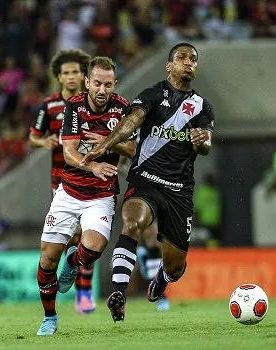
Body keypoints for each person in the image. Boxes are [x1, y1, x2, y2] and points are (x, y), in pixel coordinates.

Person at [81, 43, 215, 322]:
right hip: (146, 179)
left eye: (193, 59)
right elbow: (131, 123)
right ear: (169, 65)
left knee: (176, 266)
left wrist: (202, 142)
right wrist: (106, 144)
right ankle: (118, 293)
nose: (188, 62)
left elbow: (205, 147)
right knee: (133, 223)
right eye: (182, 58)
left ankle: (163, 279)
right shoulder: (153, 94)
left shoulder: (202, 107)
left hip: (179, 190)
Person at [36, 56, 136, 335]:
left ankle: (72, 262)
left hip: (102, 194)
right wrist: (91, 164)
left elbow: (133, 149)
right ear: (87, 82)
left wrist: (110, 142)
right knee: (46, 259)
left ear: (114, 84)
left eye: (108, 84)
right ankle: (50, 317)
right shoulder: (74, 106)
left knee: (92, 249)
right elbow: (68, 153)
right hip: (68, 191)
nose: (102, 90)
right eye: (97, 84)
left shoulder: (124, 108)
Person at [29, 49, 99, 314]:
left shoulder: (92, 104)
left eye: (76, 72)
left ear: (84, 75)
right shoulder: (50, 106)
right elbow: (32, 136)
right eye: (66, 73)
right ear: (59, 77)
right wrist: (42, 141)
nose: (71, 77)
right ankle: (78, 282)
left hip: (88, 179)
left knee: (85, 234)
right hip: (58, 182)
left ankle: (84, 292)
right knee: (72, 238)